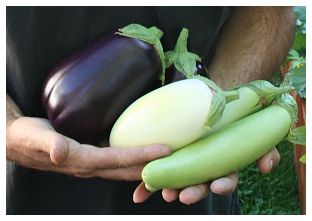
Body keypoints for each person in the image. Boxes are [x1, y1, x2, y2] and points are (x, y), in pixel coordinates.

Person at [6, 6, 295, 214]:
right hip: (26, 194)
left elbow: (269, 12)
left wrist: (222, 109)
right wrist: (7, 124)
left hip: (187, 180)